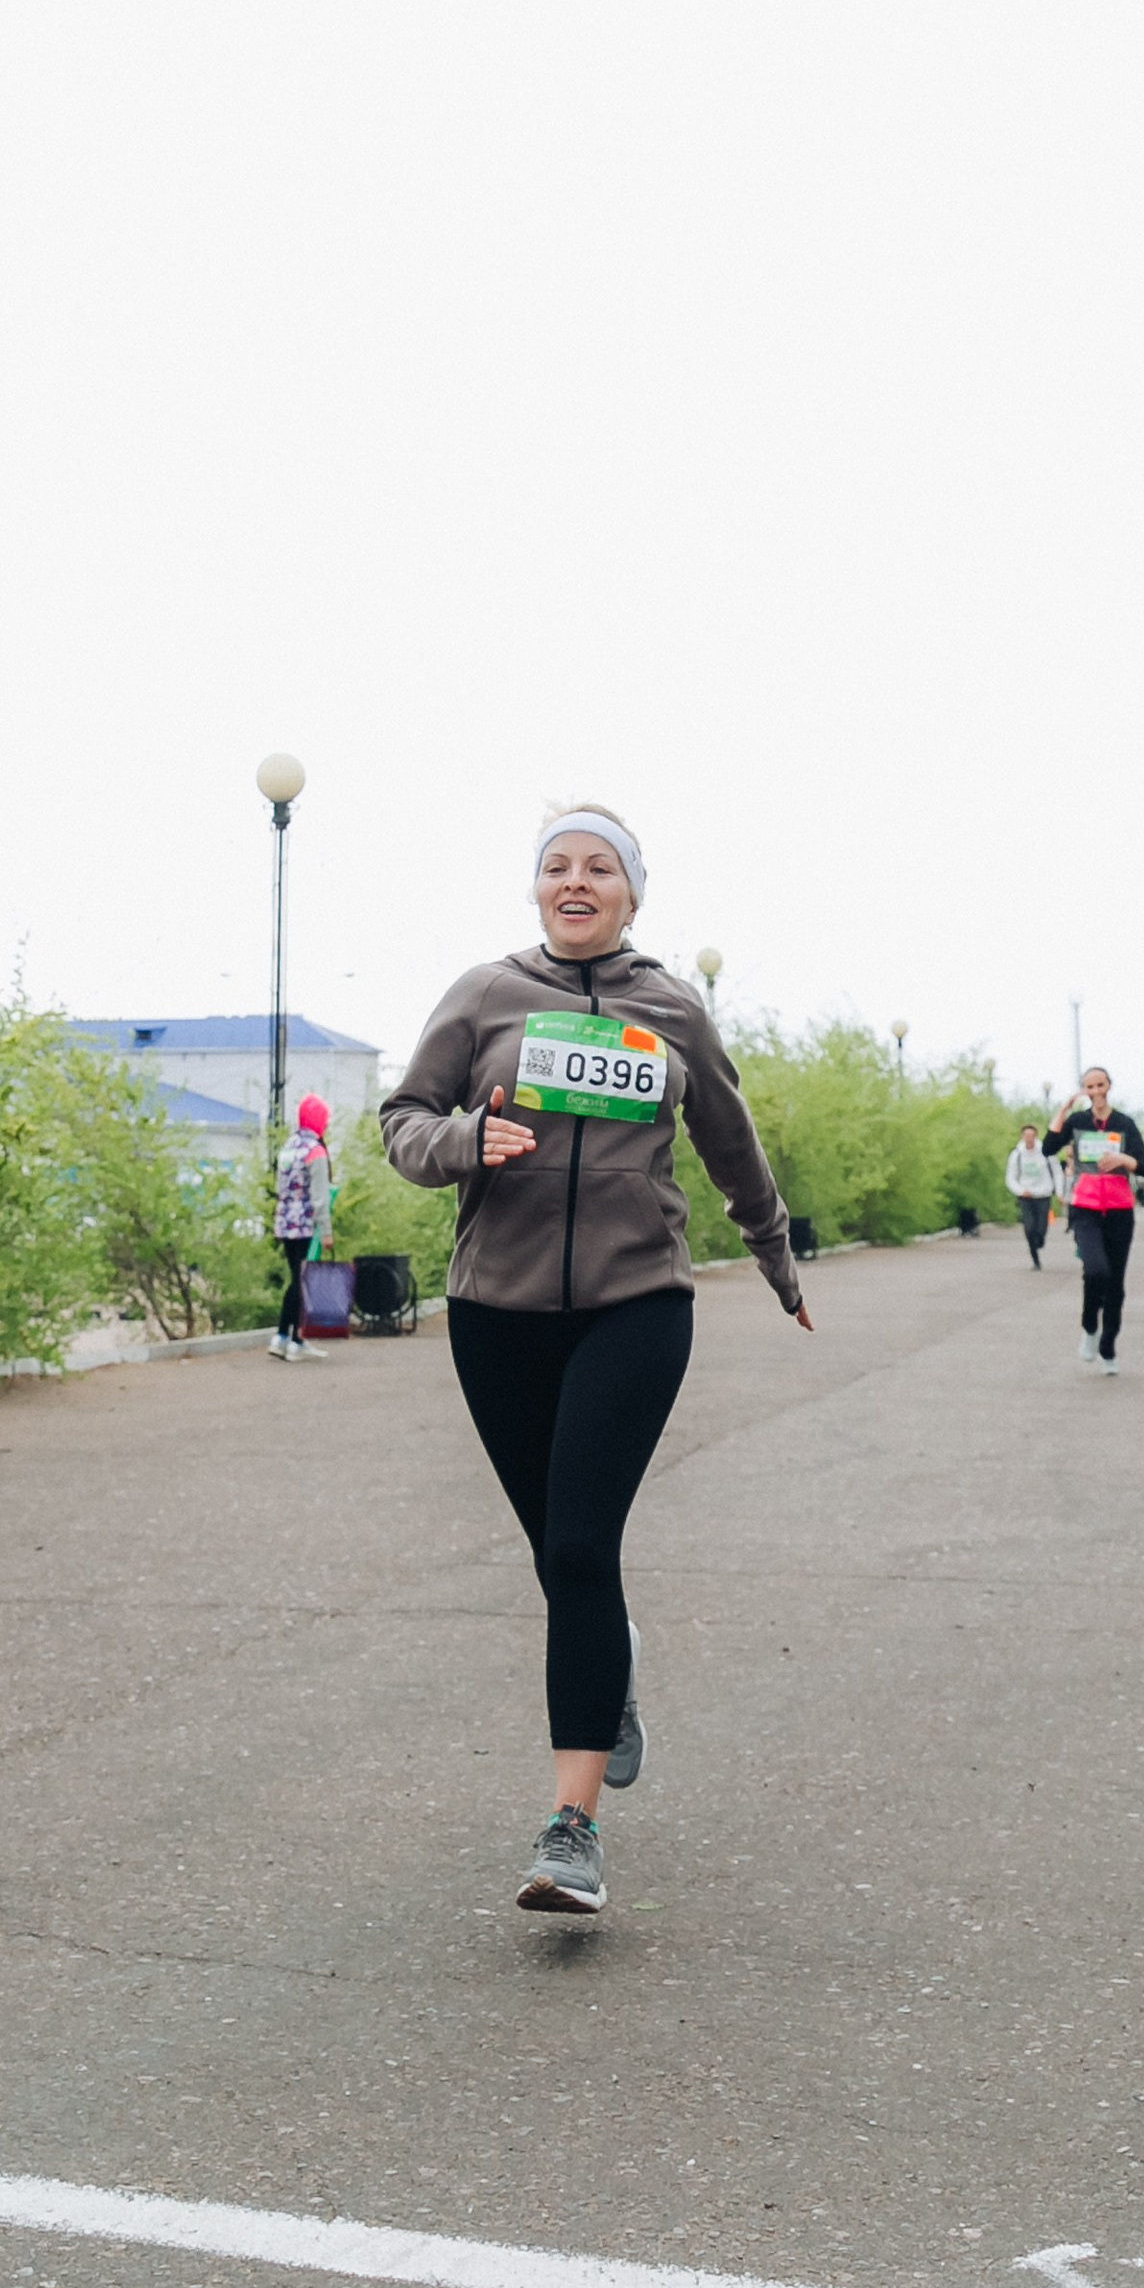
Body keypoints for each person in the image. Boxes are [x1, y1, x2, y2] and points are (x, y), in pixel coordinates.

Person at [382, 806, 808, 1918]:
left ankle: (570, 1832)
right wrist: (464, 1141)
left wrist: (777, 1259)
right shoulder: (485, 994)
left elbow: (731, 1143)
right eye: (557, 866)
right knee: (557, 1555)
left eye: (600, 867)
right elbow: (403, 1121)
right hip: (496, 1310)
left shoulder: (671, 1009)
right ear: (536, 888)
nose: (576, 881)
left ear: (632, 893)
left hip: (636, 1303)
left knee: (579, 1545)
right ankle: (607, 1663)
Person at [1043, 1067, 1144, 1372]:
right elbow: (1049, 1148)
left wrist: (1124, 1160)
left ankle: (1108, 1349)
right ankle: (1090, 1327)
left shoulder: (1124, 1123)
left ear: (1109, 1086)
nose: (1096, 1091)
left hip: (1119, 1209)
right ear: (1084, 1090)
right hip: (1085, 1207)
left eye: (1100, 1085)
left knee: (1115, 1283)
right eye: (1089, 1087)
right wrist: (1063, 1110)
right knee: (1095, 1271)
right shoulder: (1078, 1121)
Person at [270, 1091, 334, 1361]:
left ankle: (281, 1337)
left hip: (285, 1223)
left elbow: (280, 1187)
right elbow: (320, 1196)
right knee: (303, 1281)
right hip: (307, 1225)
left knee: (296, 1278)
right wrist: (326, 1231)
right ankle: (295, 1341)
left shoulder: (289, 1147)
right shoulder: (315, 1151)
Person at [1004, 1120, 1057, 1267]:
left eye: (1031, 1135)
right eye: (1026, 1135)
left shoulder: (1046, 1152)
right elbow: (1010, 1177)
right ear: (1022, 1136)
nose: (1029, 1138)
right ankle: (1035, 1258)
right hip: (1025, 1196)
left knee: (1041, 1227)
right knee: (1029, 1227)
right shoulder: (1017, 1154)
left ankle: (1039, 1241)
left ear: (1036, 1136)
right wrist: (1021, 1190)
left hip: (1043, 1194)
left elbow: (1057, 1172)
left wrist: (1058, 1191)